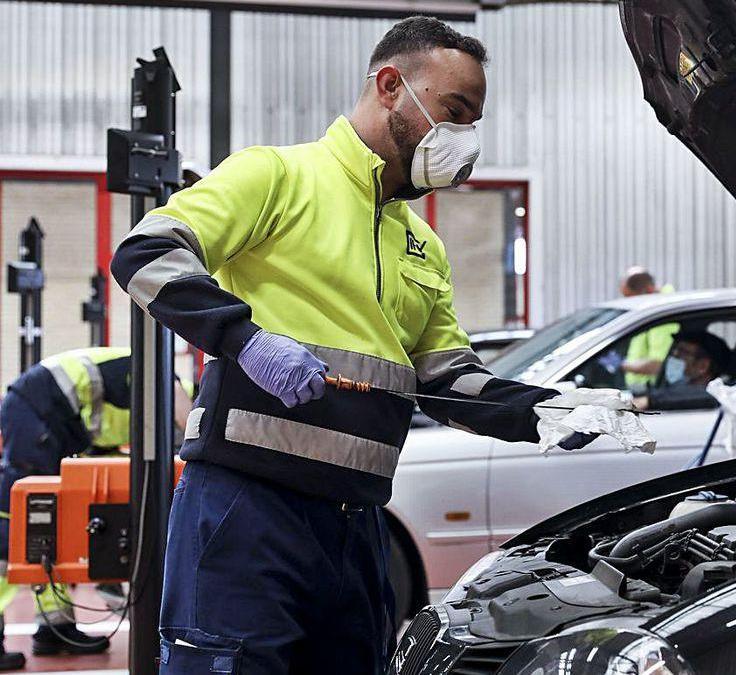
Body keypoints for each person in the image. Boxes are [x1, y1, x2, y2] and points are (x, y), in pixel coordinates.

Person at [110, 17, 611, 674]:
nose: (464, 140)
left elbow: (447, 381)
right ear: (389, 85)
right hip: (247, 511)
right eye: (453, 113)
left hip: (359, 529)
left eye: (472, 123)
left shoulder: (422, 246)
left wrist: (545, 409)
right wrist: (246, 339)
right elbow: (146, 252)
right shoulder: (277, 176)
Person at [0, 347, 192, 668]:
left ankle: (55, 627)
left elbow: (122, 462)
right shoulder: (169, 383)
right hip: (39, 408)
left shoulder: (144, 398)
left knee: (50, 524)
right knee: (16, 523)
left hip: (50, 415)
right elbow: (190, 433)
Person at [603, 267, 677, 392]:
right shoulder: (650, 311)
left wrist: (621, 365)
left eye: (633, 298)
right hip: (640, 389)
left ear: (649, 290)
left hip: (652, 391)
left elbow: (657, 365)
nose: (630, 303)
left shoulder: (662, 315)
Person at [633, 331, 731, 411]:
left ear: (702, 366)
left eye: (682, 352)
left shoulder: (709, 398)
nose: (674, 356)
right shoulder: (677, 389)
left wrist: (649, 401)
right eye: (675, 350)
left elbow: (702, 395)